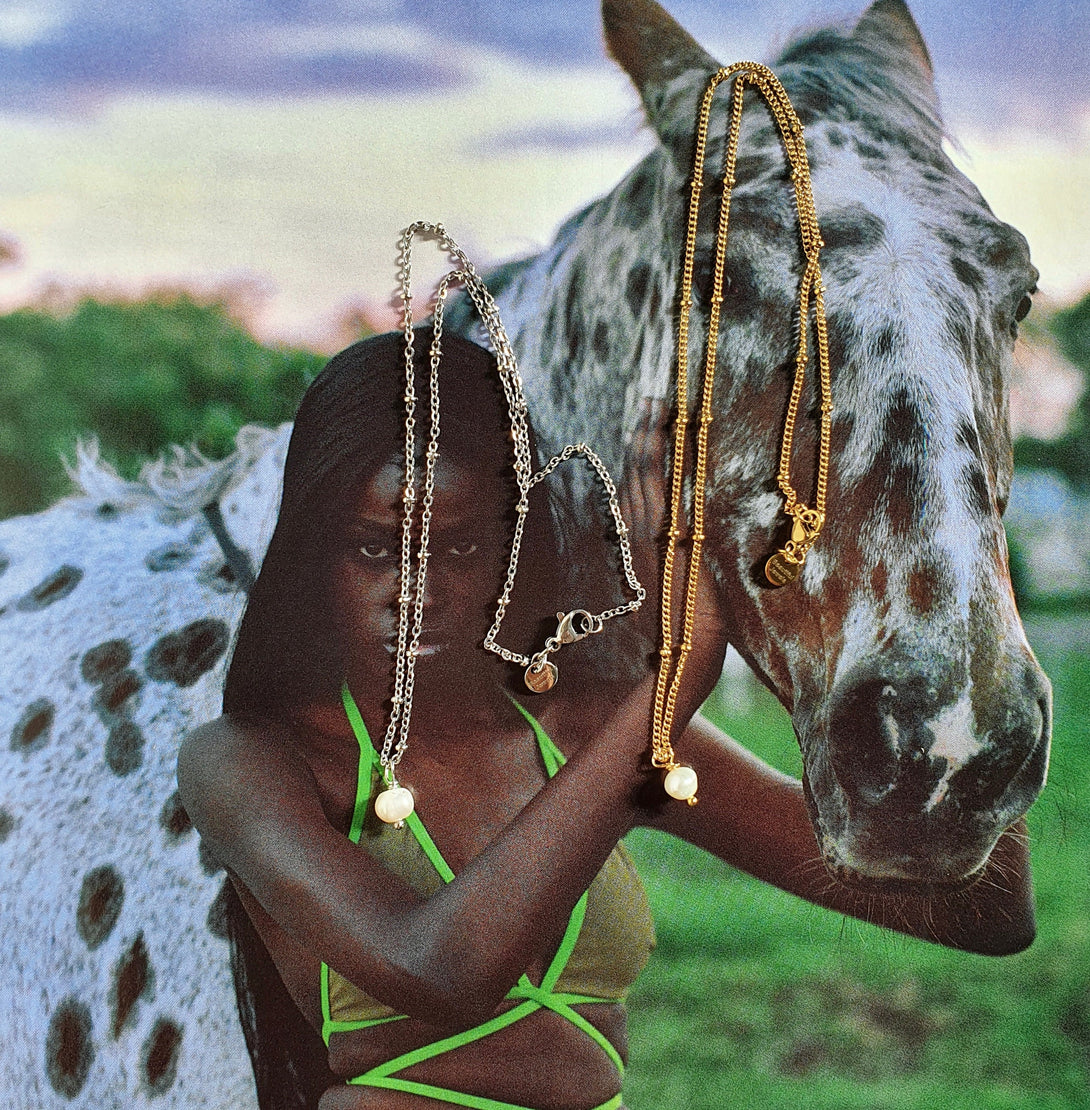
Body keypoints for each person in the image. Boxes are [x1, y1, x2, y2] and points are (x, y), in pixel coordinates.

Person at [178, 329, 1035, 1110]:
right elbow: (434, 969)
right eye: (374, 547)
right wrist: (679, 672)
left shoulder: (586, 729)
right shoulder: (252, 762)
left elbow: (980, 913)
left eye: (464, 546)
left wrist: (947, 597)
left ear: (517, 547)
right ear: (311, 553)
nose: (417, 591)